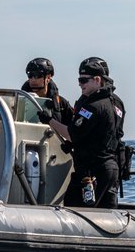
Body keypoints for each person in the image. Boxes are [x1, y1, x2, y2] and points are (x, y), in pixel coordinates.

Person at [45, 57, 125, 209]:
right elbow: (107, 134)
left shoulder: (92, 107)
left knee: (74, 209)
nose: (79, 84)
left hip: (92, 172)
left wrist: (49, 120)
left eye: (83, 80)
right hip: (111, 170)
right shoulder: (117, 103)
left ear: (97, 79)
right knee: (106, 213)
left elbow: (71, 133)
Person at [23, 57, 74, 124]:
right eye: (30, 75)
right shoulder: (19, 101)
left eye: (38, 75)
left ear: (48, 78)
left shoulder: (62, 105)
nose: (33, 80)